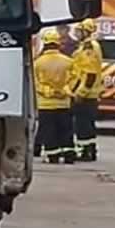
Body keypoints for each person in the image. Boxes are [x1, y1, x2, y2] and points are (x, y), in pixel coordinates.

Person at [34, 29, 78, 164]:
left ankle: (53, 156)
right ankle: (69, 155)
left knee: (49, 131)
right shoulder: (68, 62)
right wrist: (65, 91)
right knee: (66, 130)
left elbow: (36, 83)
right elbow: (75, 79)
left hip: (46, 104)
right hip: (64, 103)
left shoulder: (38, 63)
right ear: (58, 44)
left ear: (45, 44)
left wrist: (49, 92)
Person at [70, 18, 104, 162]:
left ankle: (86, 151)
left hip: (86, 94)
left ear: (85, 31)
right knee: (85, 124)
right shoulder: (86, 45)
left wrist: (81, 93)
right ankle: (88, 150)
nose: (76, 33)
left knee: (83, 125)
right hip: (88, 93)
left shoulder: (89, 47)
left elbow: (90, 73)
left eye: (78, 31)